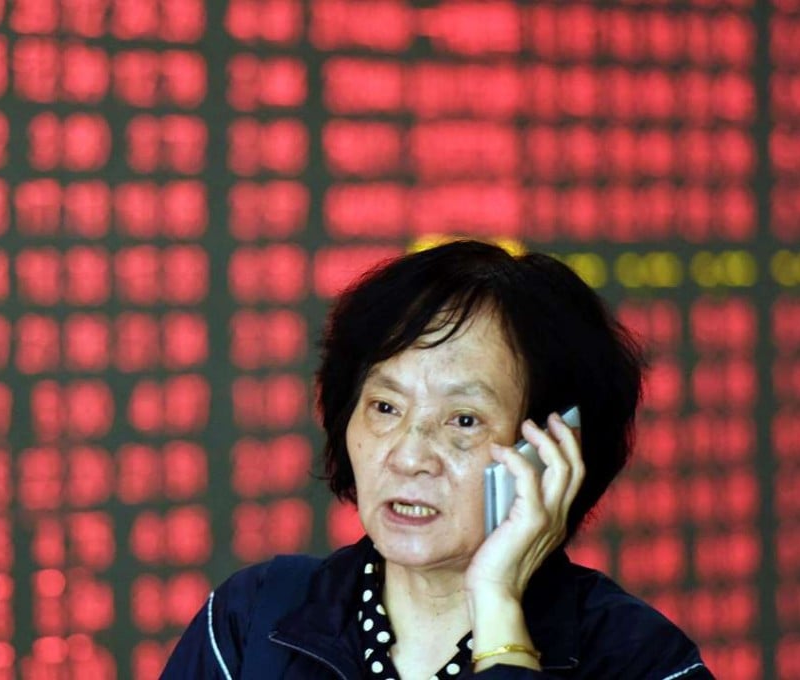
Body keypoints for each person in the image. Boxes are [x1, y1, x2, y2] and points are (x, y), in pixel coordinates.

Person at [161, 240, 715, 679]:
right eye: (385, 407)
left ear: (552, 450)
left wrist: (498, 607)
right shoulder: (253, 619)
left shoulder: (640, 659)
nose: (409, 457)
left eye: (463, 420)